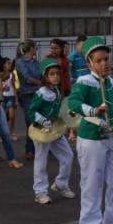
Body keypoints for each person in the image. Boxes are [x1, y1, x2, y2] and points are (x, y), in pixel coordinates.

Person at [68, 37, 113, 224]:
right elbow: (73, 102)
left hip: (112, 136)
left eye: (106, 59)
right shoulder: (84, 82)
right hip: (91, 138)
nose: (104, 63)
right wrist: (93, 110)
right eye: (98, 60)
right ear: (90, 64)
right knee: (92, 181)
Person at [28, 58, 74, 205]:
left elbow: (59, 111)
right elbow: (31, 111)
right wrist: (43, 121)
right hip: (41, 131)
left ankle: (61, 184)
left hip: (55, 130)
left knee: (68, 155)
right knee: (41, 160)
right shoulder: (41, 93)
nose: (56, 77)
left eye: (57, 74)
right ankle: (40, 192)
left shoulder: (57, 91)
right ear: (46, 77)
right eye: (52, 74)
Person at [16, 40, 43, 161]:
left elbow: (41, 74)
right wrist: (40, 83)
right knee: (30, 121)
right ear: (31, 48)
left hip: (38, 94)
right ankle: (30, 149)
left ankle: (40, 147)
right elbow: (27, 78)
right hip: (27, 94)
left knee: (40, 120)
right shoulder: (20, 62)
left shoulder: (36, 62)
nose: (36, 49)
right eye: (35, 47)